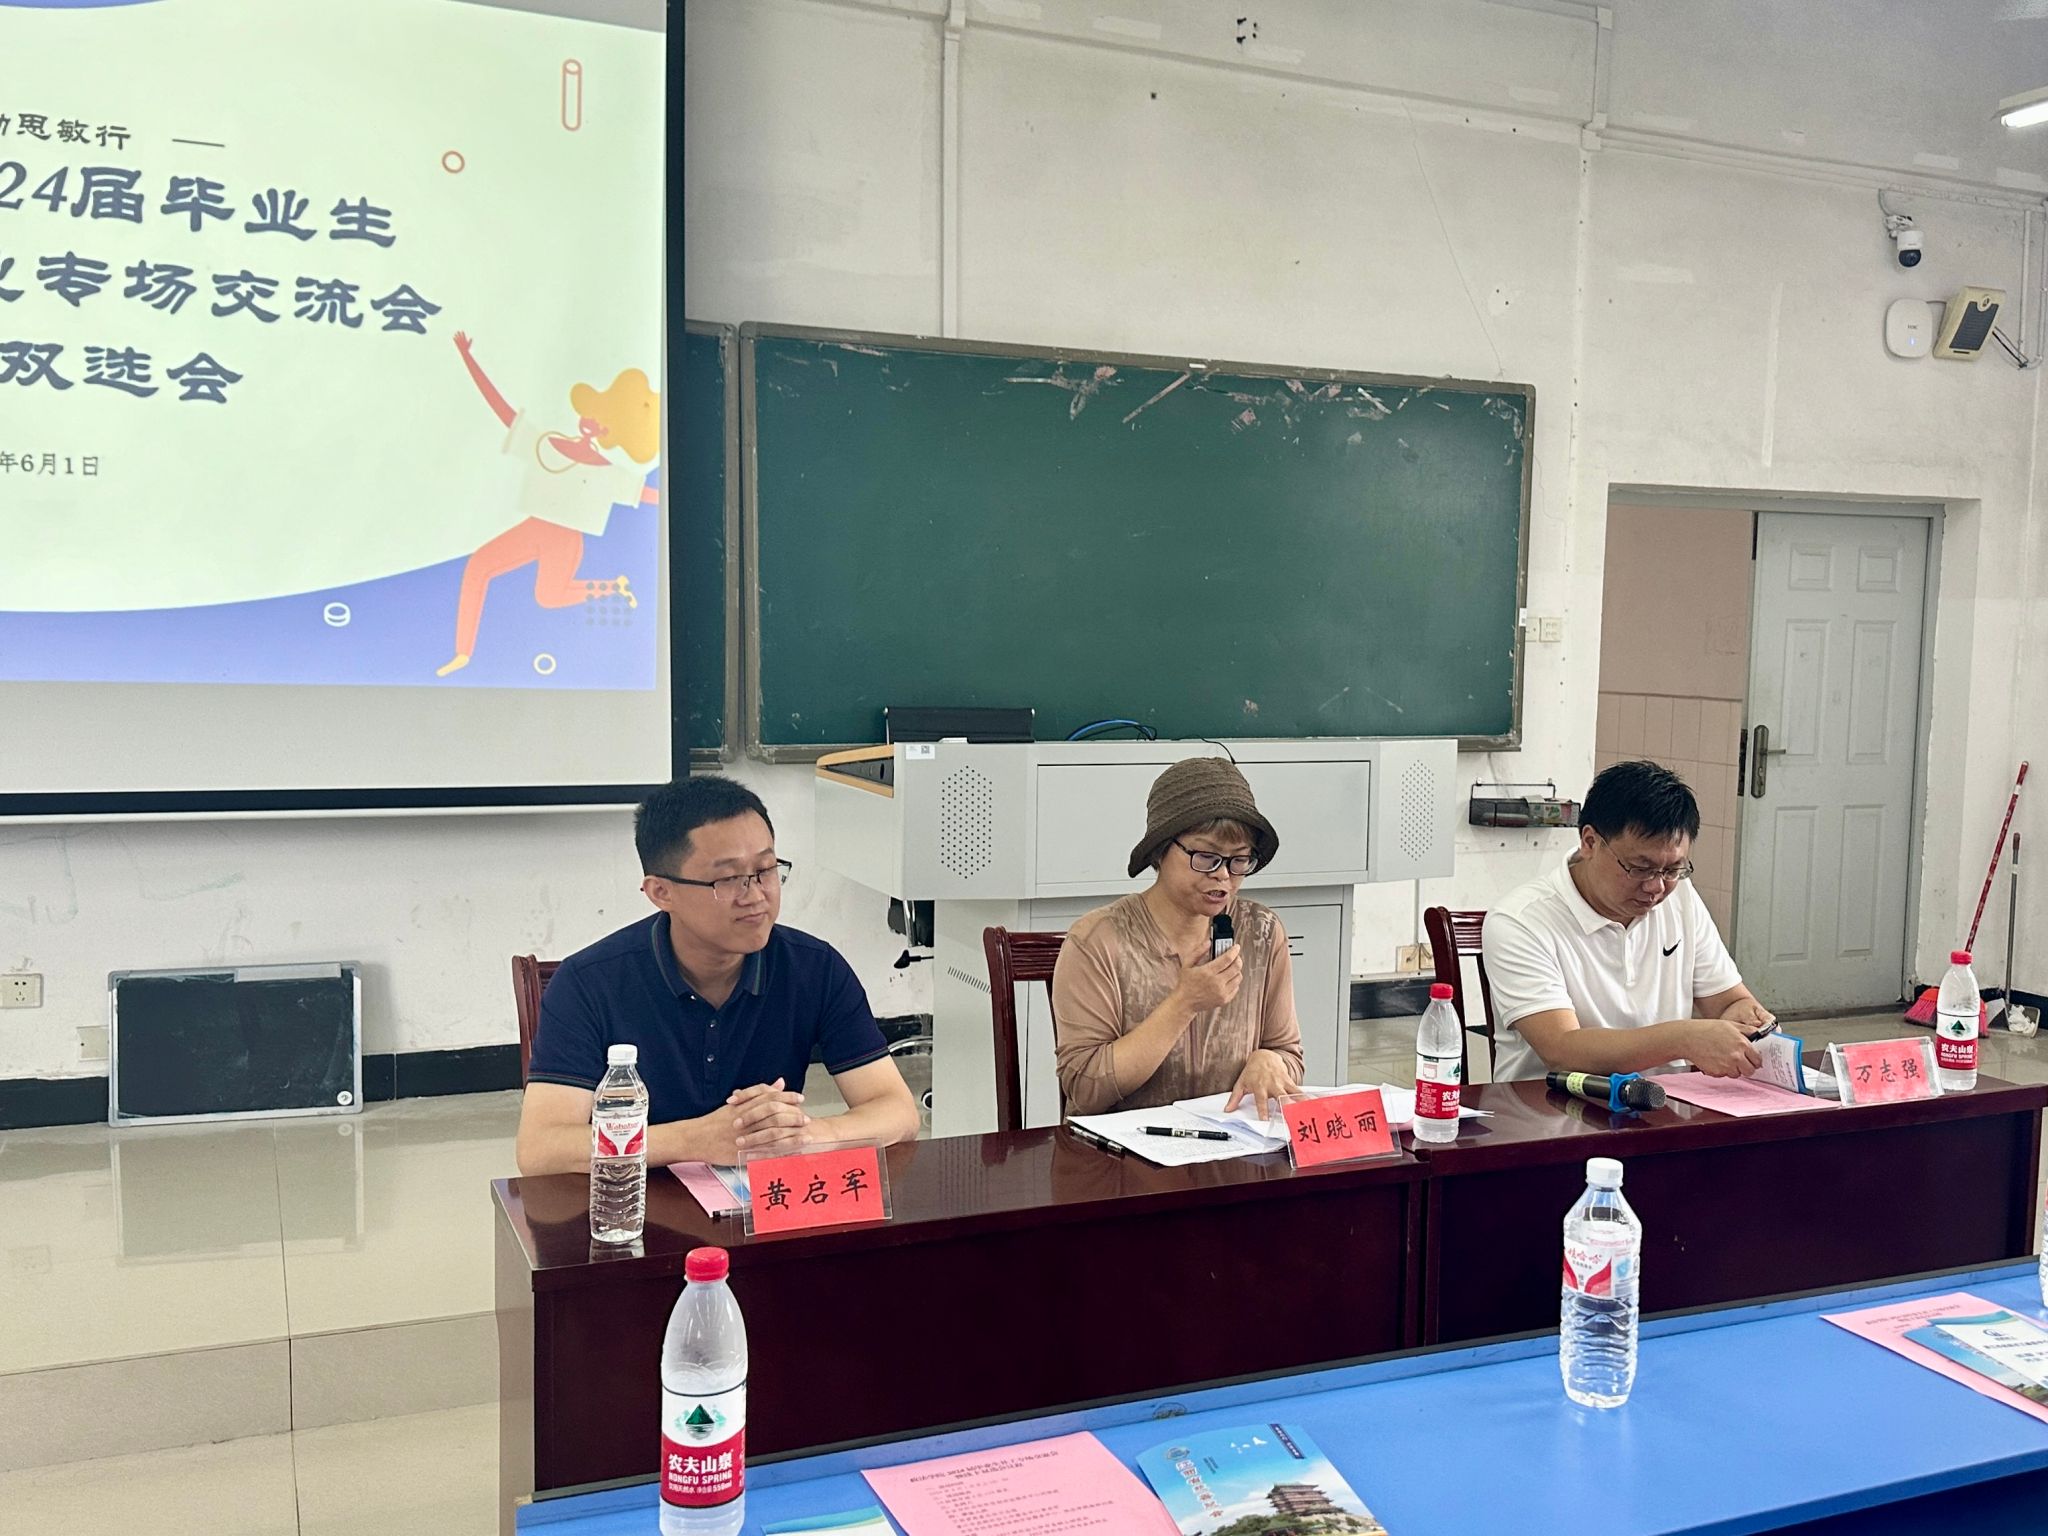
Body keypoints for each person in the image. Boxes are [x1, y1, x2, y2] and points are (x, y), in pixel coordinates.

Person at [515, 776, 920, 1175]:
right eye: (727, 880)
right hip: (635, 1200)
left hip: (763, 1200)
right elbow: (541, 1147)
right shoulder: (588, 982)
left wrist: (808, 1135)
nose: (756, 896)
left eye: (765, 869)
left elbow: (897, 1111)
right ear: (661, 892)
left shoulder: (815, 968)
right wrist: (693, 1140)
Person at [1483, 759, 1776, 1082]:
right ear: (1590, 842)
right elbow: (1561, 1049)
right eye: (1640, 868)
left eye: (1672, 869)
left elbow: (1727, 1001)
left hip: (1663, 1100)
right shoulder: (1520, 921)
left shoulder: (1680, 898)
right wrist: (1684, 1039)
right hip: (1551, 1103)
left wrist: (1744, 1017)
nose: (1656, 887)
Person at [1053, 756, 1304, 1117]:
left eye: (1239, 860)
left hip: (1232, 1141)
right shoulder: (1097, 940)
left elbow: (1288, 1054)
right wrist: (1183, 1004)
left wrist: (1271, 1061)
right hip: (1122, 1147)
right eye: (1206, 856)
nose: (1223, 876)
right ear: (1161, 850)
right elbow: (1084, 1089)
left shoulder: (1262, 932)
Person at [437, 332, 664, 677]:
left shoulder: (608, 471)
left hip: (565, 539)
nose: (590, 420)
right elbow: (503, 412)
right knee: (478, 566)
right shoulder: (548, 444)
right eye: (591, 409)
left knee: (548, 597)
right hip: (535, 528)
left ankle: (612, 588)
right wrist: (468, 358)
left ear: (609, 432)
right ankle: (463, 654)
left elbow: (649, 496)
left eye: (601, 418)